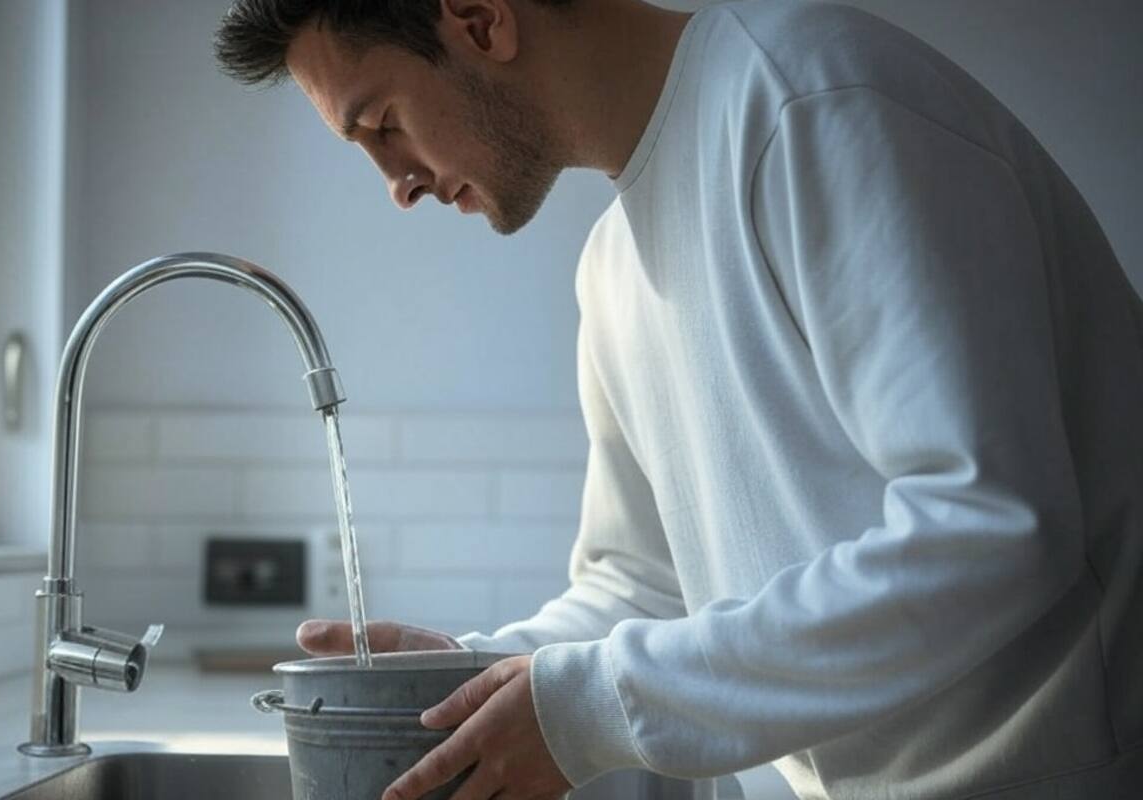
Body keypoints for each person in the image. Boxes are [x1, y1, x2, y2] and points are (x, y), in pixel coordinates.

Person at [214, 1, 1143, 798]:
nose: (398, 185)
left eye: (381, 123)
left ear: (479, 18)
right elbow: (644, 587)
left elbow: (991, 529)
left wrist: (593, 704)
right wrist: (483, 677)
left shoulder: (812, 105)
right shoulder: (613, 266)